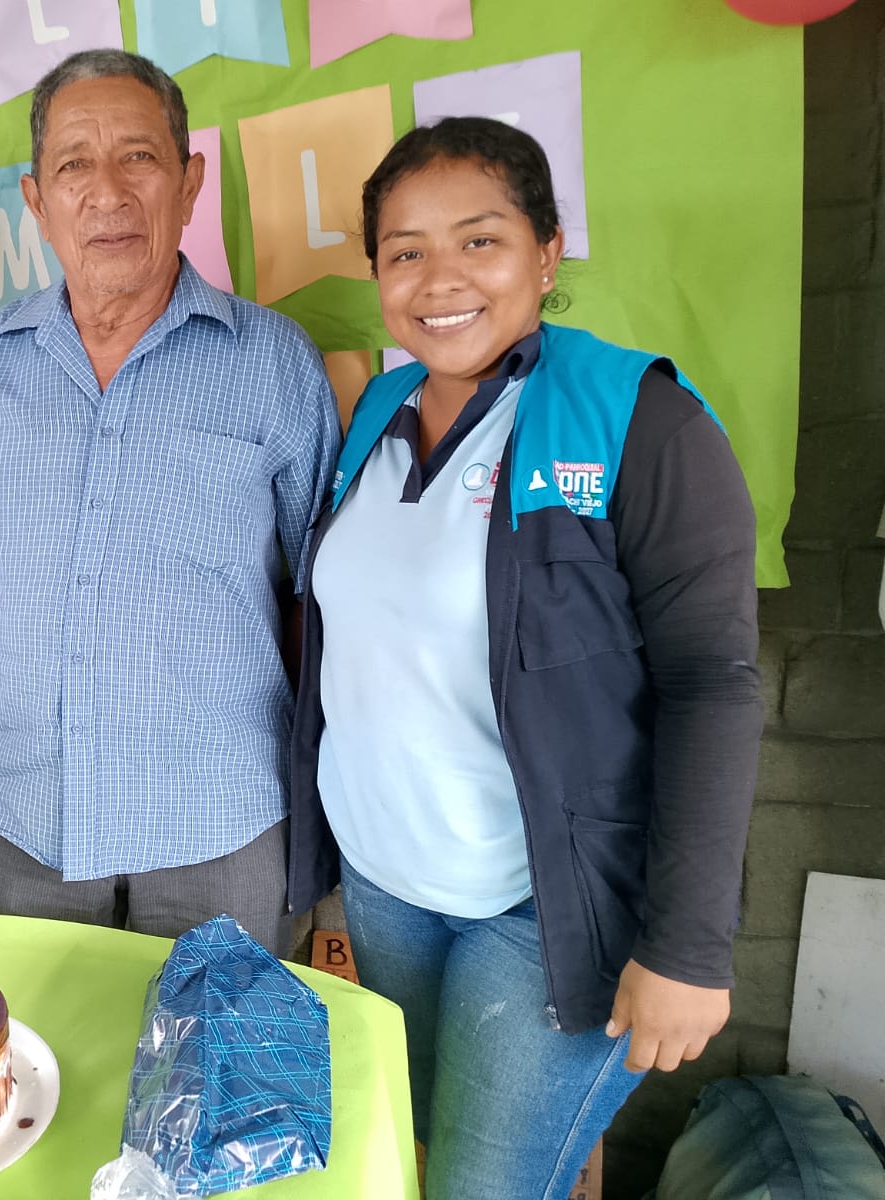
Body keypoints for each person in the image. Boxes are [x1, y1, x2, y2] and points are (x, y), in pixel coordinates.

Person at [291, 117, 763, 1198]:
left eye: (480, 240)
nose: (440, 279)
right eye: (405, 251)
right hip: (389, 886)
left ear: (546, 253)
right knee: (421, 1146)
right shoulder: (377, 411)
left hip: (544, 908)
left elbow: (712, 685)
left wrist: (689, 944)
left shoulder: (636, 418)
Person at [0, 49, 341, 957]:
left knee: (221, 1051)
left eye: (138, 157)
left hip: (223, 823)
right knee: (41, 1049)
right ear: (37, 201)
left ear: (189, 182)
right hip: (26, 819)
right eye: (75, 164)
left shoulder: (274, 363)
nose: (106, 192)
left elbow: (319, 600)